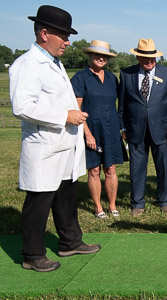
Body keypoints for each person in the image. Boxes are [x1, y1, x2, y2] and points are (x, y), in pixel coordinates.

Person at [9, 5, 101, 272]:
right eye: (64, 35)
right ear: (45, 33)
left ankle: (70, 241)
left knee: (66, 196)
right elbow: (22, 106)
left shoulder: (54, 62)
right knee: (39, 200)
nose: (68, 41)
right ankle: (33, 254)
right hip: (44, 146)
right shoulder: (27, 64)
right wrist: (64, 116)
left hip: (64, 145)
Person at [118, 38, 167, 216]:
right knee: (137, 168)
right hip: (135, 130)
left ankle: (164, 201)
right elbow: (122, 105)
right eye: (145, 58)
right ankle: (137, 203)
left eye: (152, 58)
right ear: (137, 57)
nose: (149, 61)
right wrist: (123, 127)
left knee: (163, 167)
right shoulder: (126, 74)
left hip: (162, 130)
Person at [71, 40, 124, 219]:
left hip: (111, 129)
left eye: (104, 56)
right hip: (91, 129)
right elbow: (77, 109)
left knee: (111, 168)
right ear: (90, 56)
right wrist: (87, 133)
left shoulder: (112, 79)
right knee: (94, 170)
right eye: (97, 55)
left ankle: (112, 205)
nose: (100, 58)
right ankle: (98, 207)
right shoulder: (80, 77)